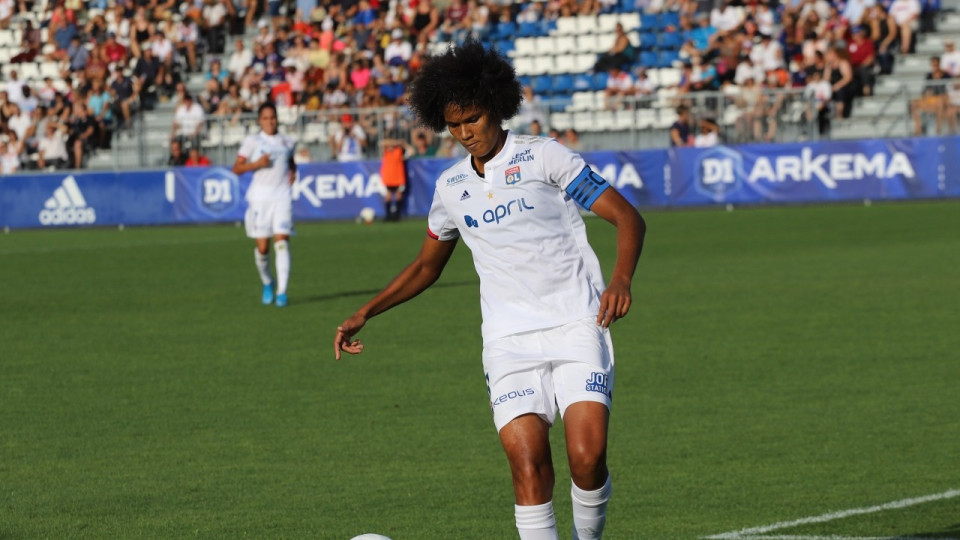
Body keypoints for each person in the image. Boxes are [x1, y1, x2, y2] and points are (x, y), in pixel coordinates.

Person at [333, 40, 646, 540]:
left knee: (586, 461)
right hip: (508, 343)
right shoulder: (452, 188)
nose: (465, 133)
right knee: (527, 468)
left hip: (576, 324)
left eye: (473, 119)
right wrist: (366, 311)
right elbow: (425, 267)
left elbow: (627, 217)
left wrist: (621, 280)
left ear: (496, 106)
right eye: (453, 125)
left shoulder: (545, 158)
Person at [232, 102, 297, 307]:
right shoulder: (253, 141)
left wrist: (293, 172)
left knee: (281, 242)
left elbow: (291, 161)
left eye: (273, 117)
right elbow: (237, 168)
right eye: (266, 118)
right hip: (259, 199)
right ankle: (268, 282)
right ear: (260, 121)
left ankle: (282, 292)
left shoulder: (288, 141)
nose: (270, 121)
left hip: (282, 197)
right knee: (262, 248)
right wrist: (257, 164)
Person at [379, 137, 411, 221]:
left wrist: (403, 144)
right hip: (388, 178)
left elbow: (411, 151)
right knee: (388, 196)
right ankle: (388, 215)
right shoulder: (385, 151)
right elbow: (381, 143)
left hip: (398, 177)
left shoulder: (399, 151)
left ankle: (397, 215)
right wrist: (397, 142)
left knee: (398, 195)